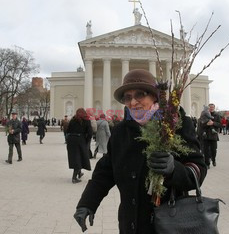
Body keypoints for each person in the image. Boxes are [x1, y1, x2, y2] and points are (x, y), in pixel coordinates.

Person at [73, 69, 207, 233]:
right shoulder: (121, 131)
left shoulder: (176, 125)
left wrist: (175, 170)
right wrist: (88, 203)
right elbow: (105, 171)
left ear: (154, 96)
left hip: (168, 225)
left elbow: (198, 169)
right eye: (127, 97)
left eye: (140, 94)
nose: (133, 102)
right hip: (130, 225)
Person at [66, 108, 93, 183]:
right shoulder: (86, 120)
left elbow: (68, 130)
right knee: (79, 157)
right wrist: (86, 141)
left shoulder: (73, 120)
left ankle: (79, 173)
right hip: (80, 140)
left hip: (71, 140)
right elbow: (90, 133)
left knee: (76, 157)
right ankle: (74, 178)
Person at [200, 103, 221, 168]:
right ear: (208, 108)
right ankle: (207, 163)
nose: (211, 108)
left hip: (213, 135)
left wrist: (213, 123)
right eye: (210, 107)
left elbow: (220, 125)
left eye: (212, 107)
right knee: (206, 151)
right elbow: (201, 125)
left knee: (213, 150)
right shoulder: (204, 114)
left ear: (214, 108)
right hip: (205, 135)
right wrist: (207, 124)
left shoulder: (217, 115)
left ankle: (213, 160)